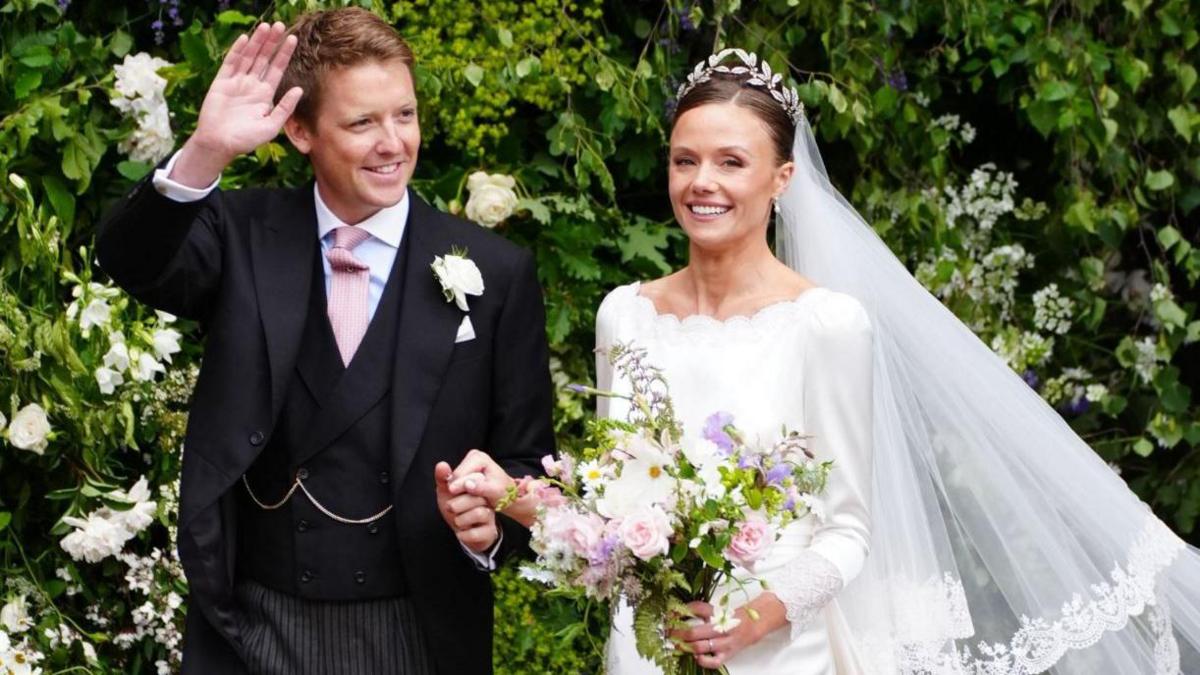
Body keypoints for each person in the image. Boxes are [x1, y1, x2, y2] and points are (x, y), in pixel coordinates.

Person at [449, 49, 1200, 674]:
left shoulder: (826, 323)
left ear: (781, 180)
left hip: (778, 648)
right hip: (649, 645)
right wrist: (514, 492)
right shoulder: (625, 312)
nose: (702, 182)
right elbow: (616, 511)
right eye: (685, 160)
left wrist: (753, 618)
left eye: (731, 161)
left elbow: (847, 530)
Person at [96, 8, 552, 675]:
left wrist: (492, 529)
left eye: (404, 114)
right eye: (362, 122)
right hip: (255, 628)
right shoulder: (242, 233)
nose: (392, 143)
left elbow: (526, 464)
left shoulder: (496, 272)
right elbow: (130, 260)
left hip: (416, 632)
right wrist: (206, 150)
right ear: (300, 130)